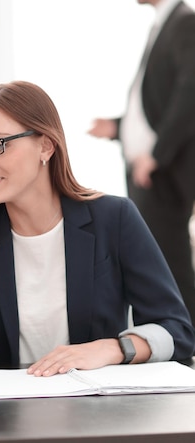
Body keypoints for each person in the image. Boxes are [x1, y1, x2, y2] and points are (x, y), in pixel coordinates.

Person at [0, 80, 195, 377]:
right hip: (13, 414)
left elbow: (176, 330)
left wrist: (110, 348)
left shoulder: (113, 217)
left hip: (102, 412)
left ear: (45, 146)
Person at [88, 0, 195, 326]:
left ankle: (184, 346)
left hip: (162, 171)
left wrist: (157, 155)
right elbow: (159, 103)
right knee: (156, 264)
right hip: (147, 168)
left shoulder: (185, 23)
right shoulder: (164, 24)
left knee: (169, 265)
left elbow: (189, 94)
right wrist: (120, 128)